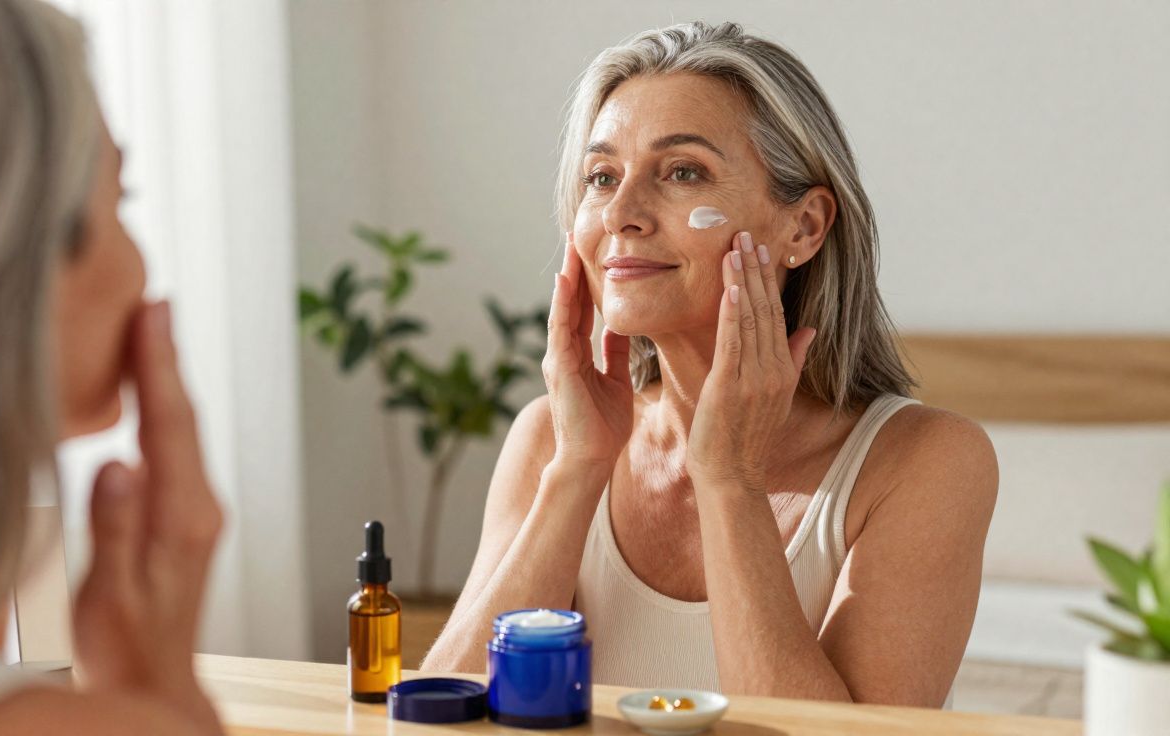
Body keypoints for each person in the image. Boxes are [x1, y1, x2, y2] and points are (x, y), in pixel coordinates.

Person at [423, 21, 997, 707]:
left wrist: (729, 476)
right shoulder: (552, 440)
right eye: (601, 177)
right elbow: (439, 715)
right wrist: (578, 468)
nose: (621, 214)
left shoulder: (926, 462)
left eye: (682, 171)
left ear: (804, 227)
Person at [0, 0, 225, 732]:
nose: (139, 265)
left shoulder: (16, 516)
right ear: (15, 266)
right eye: (119, 196)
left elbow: (31, 666)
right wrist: (158, 688)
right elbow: (36, 680)